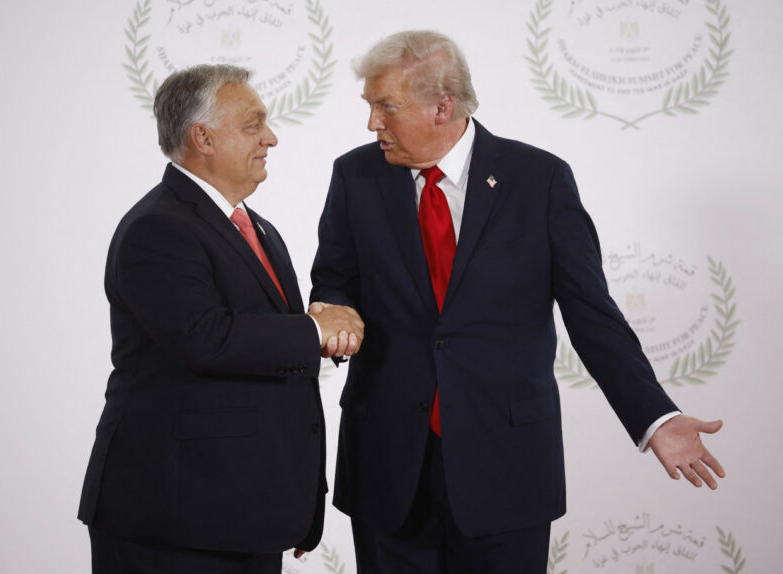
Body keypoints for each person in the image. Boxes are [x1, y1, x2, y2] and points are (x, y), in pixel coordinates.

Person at [309, 31, 725, 574]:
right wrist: (331, 309)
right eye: (369, 106)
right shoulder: (355, 175)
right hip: (387, 461)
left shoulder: (540, 179)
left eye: (386, 106)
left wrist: (655, 417)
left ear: (442, 107)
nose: (372, 123)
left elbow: (591, 313)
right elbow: (334, 279)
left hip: (506, 464)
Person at [77, 64, 363, 574]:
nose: (271, 138)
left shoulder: (257, 227)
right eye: (253, 125)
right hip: (173, 523)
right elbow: (204, 338)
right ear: (203, 138)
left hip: (247, 515)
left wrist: (296, 502)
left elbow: (262, 353)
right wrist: (315, 330)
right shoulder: (157, 228)